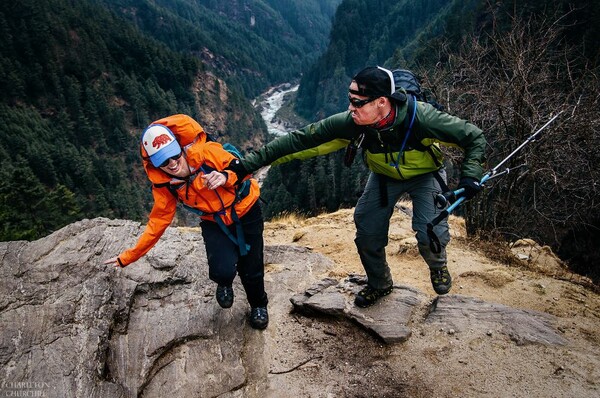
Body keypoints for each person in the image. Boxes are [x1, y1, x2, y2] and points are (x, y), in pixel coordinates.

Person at [230, 66, 486, 307]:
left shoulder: (422, 117)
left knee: (429, 230)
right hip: (384, 176)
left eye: (357, 102)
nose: (350, 108)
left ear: (382, 102)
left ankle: (437, 265)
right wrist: (246, 165)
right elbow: (301, 140)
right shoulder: (353, 122)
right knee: (367, 229)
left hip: (426, 174)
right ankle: (380, 283)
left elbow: (473, 136)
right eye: (350, 100)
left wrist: (471, 176)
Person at [104, 115, 269, 329]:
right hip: (214, 220)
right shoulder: (166, 185)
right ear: (154, 164)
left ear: (180, 148)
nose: (172, 164)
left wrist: (226, 177)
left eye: (174, 155)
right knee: (221, 269)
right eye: (163, 161)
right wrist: (128, 256)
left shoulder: (206, 153)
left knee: (252, 266)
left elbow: (244, 169)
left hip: (246, 210)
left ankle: (258, 305)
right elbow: (158, 222)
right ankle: (224, 282)